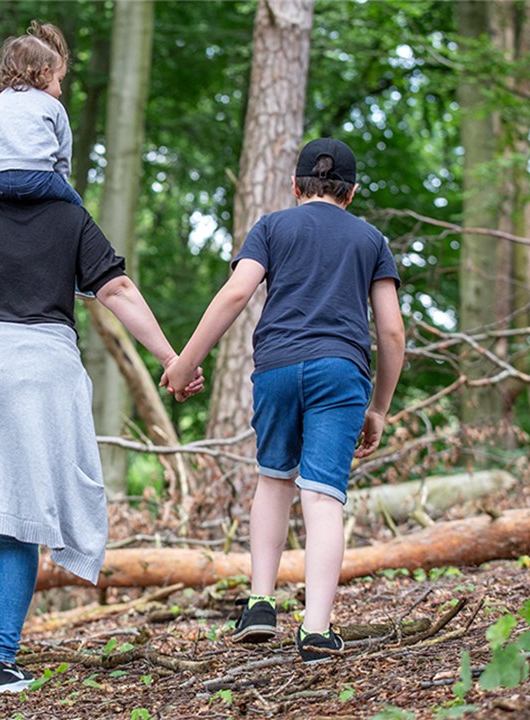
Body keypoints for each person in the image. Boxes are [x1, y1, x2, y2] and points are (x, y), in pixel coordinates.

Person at [0, 192, 196, 694]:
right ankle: (2, 662)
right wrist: (171, 358)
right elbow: (117, 289)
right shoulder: (70, 216)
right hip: (43, 373)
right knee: (25, 515)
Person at [162, 137, 406, 664]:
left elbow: (235, 294)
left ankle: (259, 604)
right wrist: (379, 407)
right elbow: (390, 333)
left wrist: (183, 361)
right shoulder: (371, 240)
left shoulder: (272, 227)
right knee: (321, 498)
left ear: (295, 186)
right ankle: (316, 630)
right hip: (340, 372)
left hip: (275, 367)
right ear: (353, 191)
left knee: (273, 480)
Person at [0, 21, 82, 207]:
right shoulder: (53, 105)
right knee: (76, 207)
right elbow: (63, 156)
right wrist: (60, 184)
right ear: (45, 72)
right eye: (59, 80)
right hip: (37, 178)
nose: (60, 90)